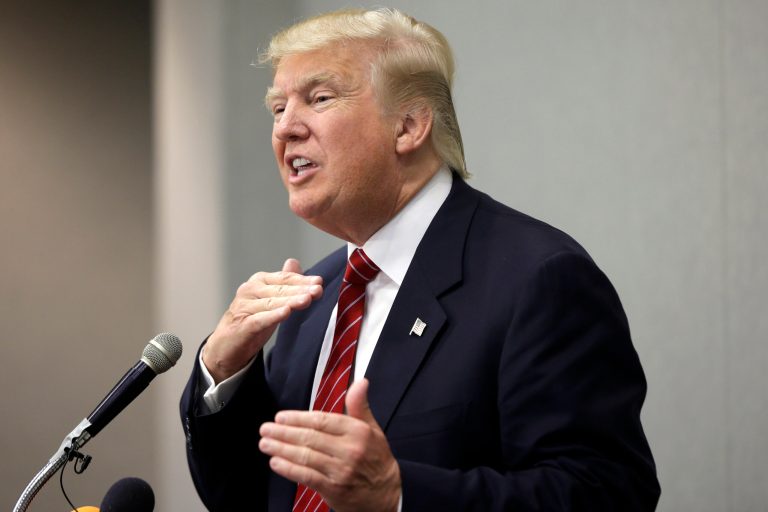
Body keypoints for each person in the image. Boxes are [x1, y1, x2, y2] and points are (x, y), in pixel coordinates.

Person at [180, 7, 660, 512]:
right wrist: (223, 370)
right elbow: (252, 496)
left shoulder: (538, 279)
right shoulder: (310, 302)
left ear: (408, 126)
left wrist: (398, 495)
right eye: (278, 109)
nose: (285, 129)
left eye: (319, 99)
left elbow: (606, 492)